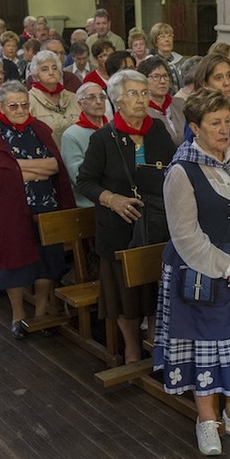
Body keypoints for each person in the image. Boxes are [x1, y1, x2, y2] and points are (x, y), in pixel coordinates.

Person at [153, 87, 230, 456]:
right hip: (201, 269)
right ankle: (207, 421)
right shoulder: (182, 170)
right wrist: (229, 269)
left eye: (227, 122)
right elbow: (185, 236)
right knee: (206, 347)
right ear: (194, 127)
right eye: (214, 123)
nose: (224, 130)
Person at [76, 70, 177, 364]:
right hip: (119, 226)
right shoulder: (103, 138)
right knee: (125, 295)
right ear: (117, 100)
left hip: (156, 224)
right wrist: (112, 199)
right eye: (133, 94)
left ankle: (158, 346)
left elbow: (174, 169)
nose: (141, 99)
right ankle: (132, 347)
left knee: (156, 287)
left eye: (144, 93)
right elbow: (85, 182)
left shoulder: (157, 130)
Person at [0, 81, 76, 339]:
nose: (20, 110)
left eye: (24, 104)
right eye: (13, 105)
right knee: (12, 265)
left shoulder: (39, 129)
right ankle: (18, 315)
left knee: (47, 262)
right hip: (7, 211)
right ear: (0, 106)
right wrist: (24, 169)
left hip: (45, 206)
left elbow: (55, 166)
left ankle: (40, 313)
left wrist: (18, 168)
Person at [61, 82, 108, 208]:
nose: (99, 101)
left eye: (102, 97)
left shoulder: (114, 130)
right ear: (80, 104)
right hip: (90, 204)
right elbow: (78, 177)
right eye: (92, 97)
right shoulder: (71, 135)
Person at [27, 50, 79, 146]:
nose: (51, 72)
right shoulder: (28, 101)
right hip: (47, 157)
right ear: (36, 75)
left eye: (55, 68)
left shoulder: (74, 98)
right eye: (44, 69)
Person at [137, 55, 185, 146]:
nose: (163, 81)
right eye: (156, 76)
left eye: (165, 76)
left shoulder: (180, 104)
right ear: (143, 80)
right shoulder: (141, 109)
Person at [149, 23, 183, 95]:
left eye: (170, 36)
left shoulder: (181, 60)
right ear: (155, 42)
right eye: (162, 37)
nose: (167, 40)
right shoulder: (150, 63)